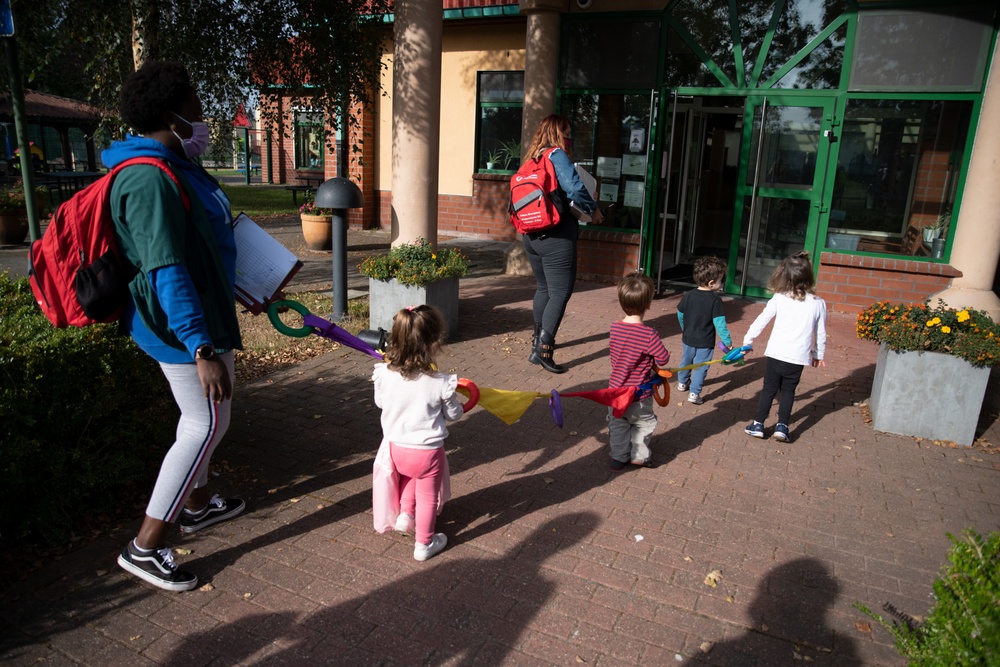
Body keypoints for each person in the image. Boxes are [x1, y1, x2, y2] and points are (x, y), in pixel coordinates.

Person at [107, 61, 245, 591]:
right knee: (203, 423)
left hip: (205, 317)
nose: (203, 119)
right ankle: (145, 546)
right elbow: (165, 267)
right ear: (172, 115)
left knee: (214, 418)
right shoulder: (146, 178)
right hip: (181, 329)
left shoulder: (175, 164)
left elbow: (203, 240)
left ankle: (195, 505)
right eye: (196, 110)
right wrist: (200, 346)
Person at [372, 305, 464, 561]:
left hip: (396, 448)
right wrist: (463, 405)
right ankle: (424, 543)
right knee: (426, 494)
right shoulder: (441, 383)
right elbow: (453, 415)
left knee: (411, 477)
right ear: (434, 342)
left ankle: (404, 515)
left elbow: (381, 403)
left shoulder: (383, 374)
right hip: (427, 452)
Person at [521, 114, 603, 374]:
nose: (570, 137)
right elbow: (576, 189)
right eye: (566, 132)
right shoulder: (556, 155)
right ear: (556, 134)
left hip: (531, 234)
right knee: (560, 292)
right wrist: (593, 208)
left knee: (544, 288)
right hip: (557, 234)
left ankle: (536, 346)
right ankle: (545, 350)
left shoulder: (532, 159)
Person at [743, 252, 827, 442]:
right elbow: (820, 333)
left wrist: (748, 339)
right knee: (788, 390)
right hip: (798, 357)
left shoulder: (779, 298)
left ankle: (758, 424)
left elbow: (762, 319)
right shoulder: (818, 303)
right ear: (808, 276)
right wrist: (818, 354)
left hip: (776, 353)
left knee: (769, 389)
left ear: (783, 275)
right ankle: (782, 426)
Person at [607, 272, 670, 470]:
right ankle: (639, 456)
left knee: (617, 423)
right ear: (649, 303)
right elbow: (663, 358)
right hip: (639, 393)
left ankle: (618, 456)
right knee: (643, 424)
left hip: (615, 391)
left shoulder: (614, 328)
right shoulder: (649, 335)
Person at [676, 256, 733, 405]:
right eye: (721, 280)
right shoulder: (715, 301)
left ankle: (682, 383)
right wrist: (727, 342)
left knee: (686, 360)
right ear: (712, 283)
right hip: (705, 341)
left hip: (688, 337)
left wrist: (685, 328)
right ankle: (694, 393)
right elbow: (720, 324)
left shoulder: (688, 295)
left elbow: (680, 314)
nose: (722, 283)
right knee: (701, 367)